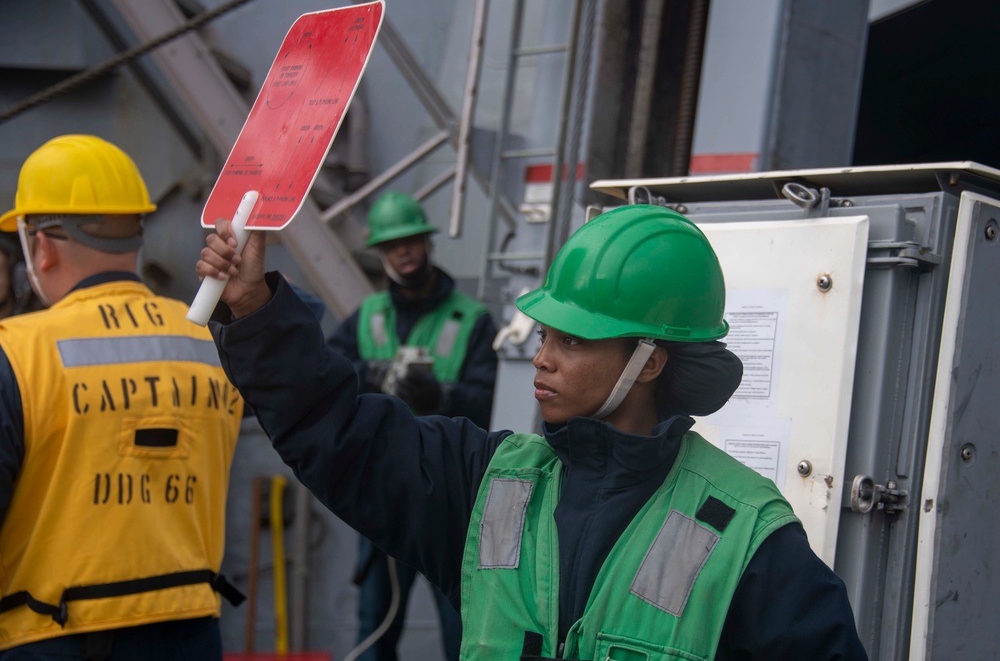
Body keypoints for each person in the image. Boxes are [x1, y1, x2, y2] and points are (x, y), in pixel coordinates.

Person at [198, 203, 869, 660]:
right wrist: (256, 311)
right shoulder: (488, 481)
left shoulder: (745, 537)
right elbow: (338, 429)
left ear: (650, 359)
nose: (542, 356)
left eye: (573, 340)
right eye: (545, 333)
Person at [0, 134, 245, 660]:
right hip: (190, 635)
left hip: (49, 639)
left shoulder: (16, 352)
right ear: (135, 235)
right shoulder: (211, 341)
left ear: (39, 247)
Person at [328, 191, 498, 661]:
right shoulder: (366, 319)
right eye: (391, 246)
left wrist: (440, 397)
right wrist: (374, 375)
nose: (402, 253)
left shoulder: (473, 321)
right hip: (382, 488)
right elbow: (328, 382)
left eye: (410, 242)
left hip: (451, 493)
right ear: (381, 254)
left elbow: (491, 404)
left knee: (461, 624)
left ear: (427, 244)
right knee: (374, 621)